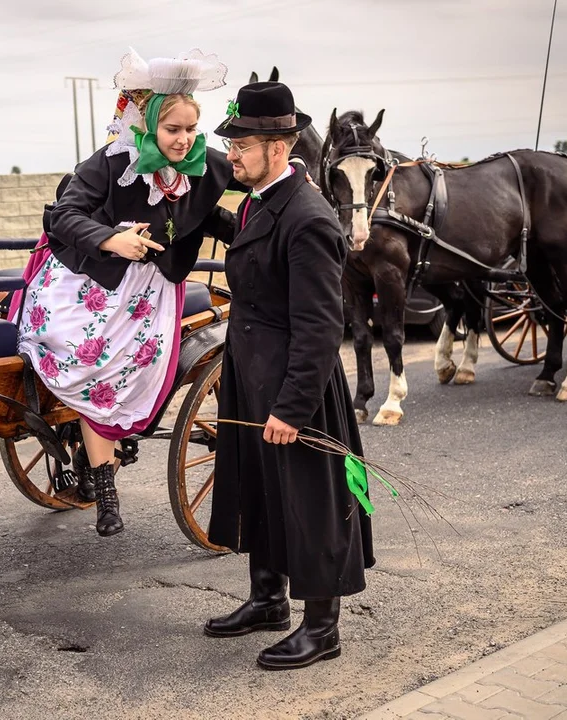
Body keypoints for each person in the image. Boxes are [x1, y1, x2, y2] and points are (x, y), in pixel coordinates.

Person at [16, 49, 235, 537]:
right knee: (91, 365)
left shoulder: (205, 166)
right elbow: (62, 217)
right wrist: (111, 238)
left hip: (153, 288)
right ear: (149, 124)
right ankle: (104, 481)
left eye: (190, 129)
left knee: (136, 372)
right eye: (172, 129)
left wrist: (266, 234)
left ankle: (109, 462)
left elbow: (206, 215)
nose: (182, 139)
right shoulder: (110, 163)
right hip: (92, 281)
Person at [203, 81, 375, 670]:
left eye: (242, 145)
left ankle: (321, 627)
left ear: (279, 146)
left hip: (293, 387)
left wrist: (292, 408)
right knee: (261, 489)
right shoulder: (262, 197)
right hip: (253, 373)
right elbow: (254, 243)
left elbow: (323, 327)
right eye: (232, 143)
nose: (232, 154)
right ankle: (269, 599)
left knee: (309, 502)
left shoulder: (309, 218)